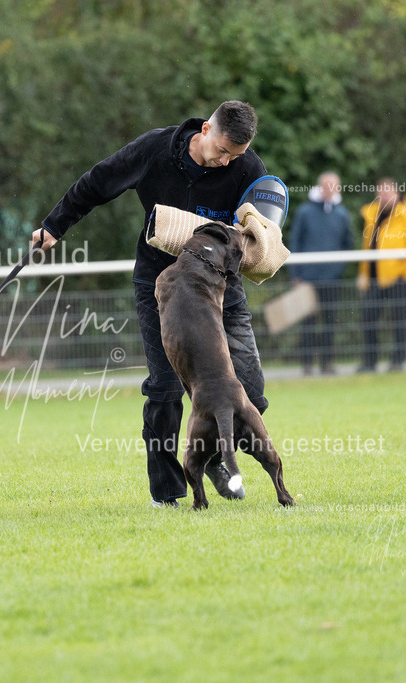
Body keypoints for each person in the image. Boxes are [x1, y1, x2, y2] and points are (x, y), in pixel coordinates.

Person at [34, 101, 271, 508]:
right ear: (205, 129)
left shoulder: (248, 169)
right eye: (222, 151)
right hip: (162, 288)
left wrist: (260, 241)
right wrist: (54, 226)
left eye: (235, 155)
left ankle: (211, 456)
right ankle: (167, 494)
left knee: (250, 391)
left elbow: (263, 221)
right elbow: (98, 181)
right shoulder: (155, 151)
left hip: (221, 291)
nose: (225, 162)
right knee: (163, 388)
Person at [356, 178, 406, 372]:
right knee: (368, 320)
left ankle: (398, 361)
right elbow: (368, 248)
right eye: (380, 192)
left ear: (397, 194)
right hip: (374, 279)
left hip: (399, 278)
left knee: (400, 322)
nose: (383, 196)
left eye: (387, 192)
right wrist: (363, 275)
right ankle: (370, 362)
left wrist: (404, 274)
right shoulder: (372, 215)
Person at [288, 171, 354, 375]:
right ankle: (307, 364)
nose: (329, 190)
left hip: (332, 278)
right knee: (307, 323)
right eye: (326, 185)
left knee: (330, 322)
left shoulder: (342, 214)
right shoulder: (305, 212)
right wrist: (295, 274)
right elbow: (295, 242)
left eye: (333, 186)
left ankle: (327, 363)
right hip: (307, 278)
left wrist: (337, 269)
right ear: (319, 186)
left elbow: (347, 245)